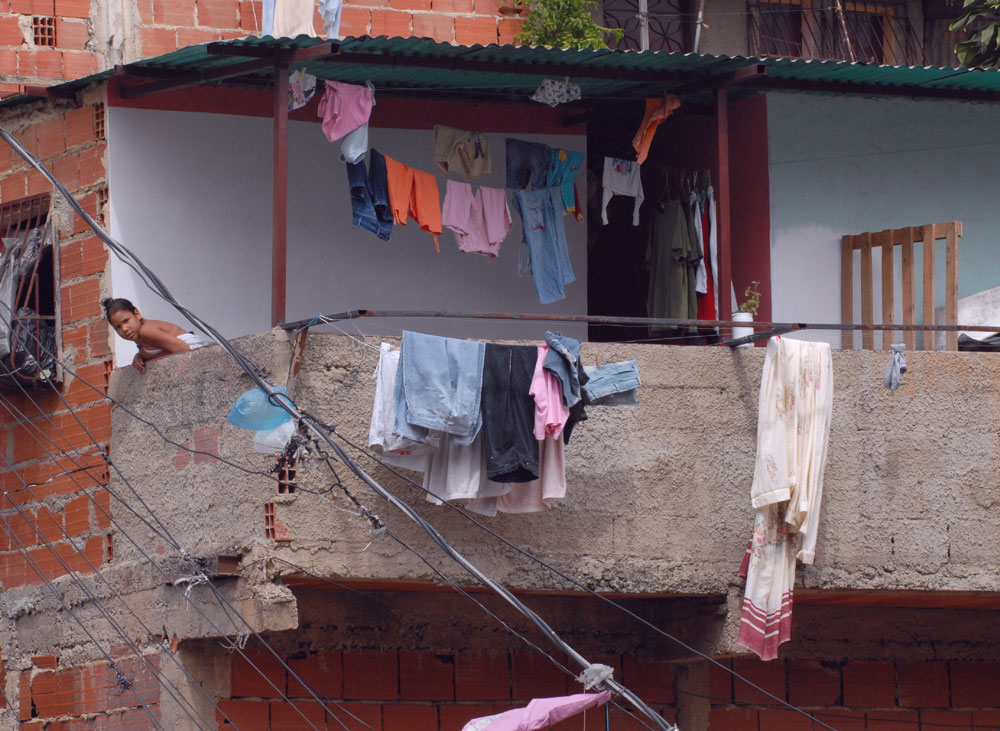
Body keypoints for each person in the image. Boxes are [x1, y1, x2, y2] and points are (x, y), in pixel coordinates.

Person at [100, 297, 210, 373]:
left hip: (196, 351)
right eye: (118, 327)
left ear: (137, 314)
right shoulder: (139, 338)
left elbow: (184, 349)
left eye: (126, 321)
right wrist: (139, 356)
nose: (124, 329)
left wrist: (149, 358)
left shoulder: (145, 331)